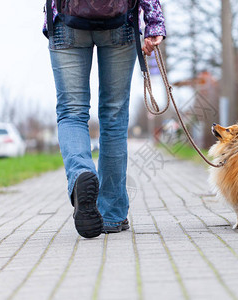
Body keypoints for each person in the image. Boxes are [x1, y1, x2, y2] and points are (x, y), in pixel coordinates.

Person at [43, 1, 166, 238]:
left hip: (65, 20)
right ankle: (111, 214)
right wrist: (154, 23)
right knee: (114, 118)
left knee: (71, 113)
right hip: (120, 22)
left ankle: (81, 174)